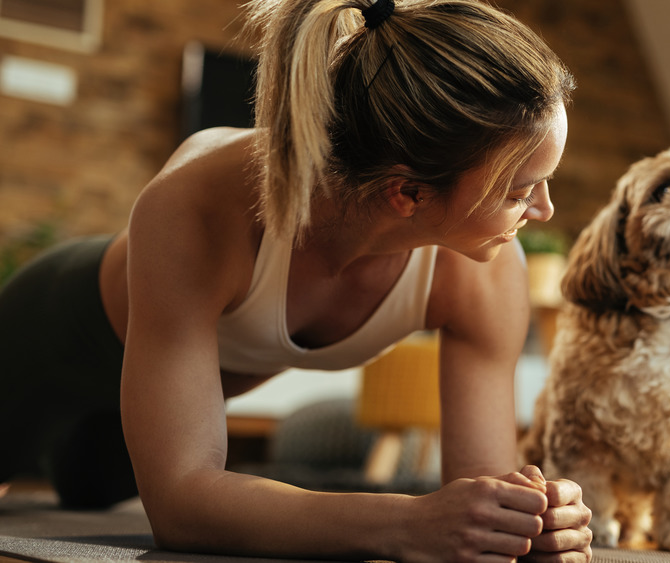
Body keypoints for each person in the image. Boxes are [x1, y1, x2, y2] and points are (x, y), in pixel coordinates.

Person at [0, 0, 593, 560]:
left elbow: (476, 498)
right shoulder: (200, 203)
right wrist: (404, 522)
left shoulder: (485, 273)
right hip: (43, 345)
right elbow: (180, 504)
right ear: (407, 191)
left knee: (87, 492)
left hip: (142, 399)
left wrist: (528, 522)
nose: (542, 210)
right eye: (520, 190)